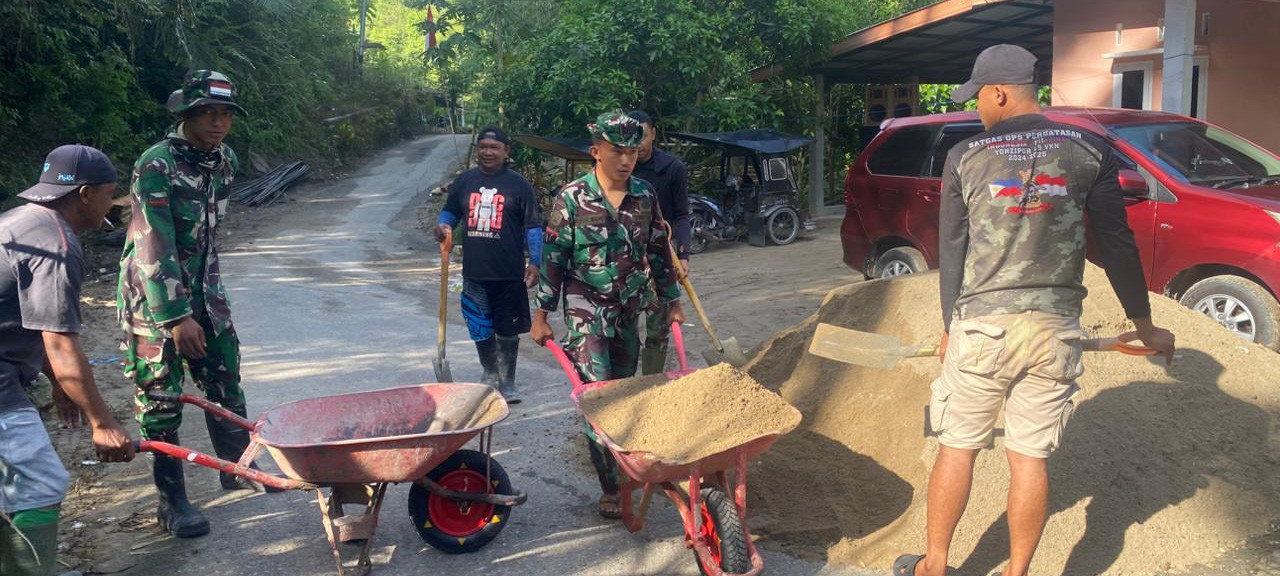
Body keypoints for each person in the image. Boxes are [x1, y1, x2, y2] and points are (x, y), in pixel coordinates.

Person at [893, 44, 1176, 576]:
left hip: (983, 327)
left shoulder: (965, 157)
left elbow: (952, 249)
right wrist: (1145, 326)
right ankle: (1017, 572)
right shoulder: (1089, 150)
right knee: (1030, 459)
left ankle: (933, 566)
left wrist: (951, 327)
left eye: (978, 96)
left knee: (957, 448)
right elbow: (1116, 244)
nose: (977, 107)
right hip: (1055, 333)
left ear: (999, 92)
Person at [117, 70, 272, 540]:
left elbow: (207, 237)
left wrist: (202, 306)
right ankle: (172, 502)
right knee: (161, 399)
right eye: (208, 112)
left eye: (225, 114)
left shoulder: (223, 161)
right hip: (155, 300)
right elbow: (152, 243)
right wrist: (176, 317)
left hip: (207, 292)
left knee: (225, 377)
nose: (218, 122)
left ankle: (236, 466)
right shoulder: (156, 165)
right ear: (187, 114)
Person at [530, 111, 685, 518]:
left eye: (632, 151)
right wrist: (542, 313)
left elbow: (657, 253)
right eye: (617, 151)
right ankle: (612, 487)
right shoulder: (571, 198)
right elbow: (554, 259)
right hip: (586, 311)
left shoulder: (645, 195)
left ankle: (626, 466)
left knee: (624, 392)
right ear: (595, 151)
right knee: (598, 396)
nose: (626, 160)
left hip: (630, 307)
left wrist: (672, 301)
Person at [1, 145, 135, 576]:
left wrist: (60, 383)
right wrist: (104, 422)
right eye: (109, 194)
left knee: (12, 488)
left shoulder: (16, 223)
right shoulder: (56, 244)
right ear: (83, 194)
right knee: (40, 485)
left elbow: (24, 321)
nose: (111, 205)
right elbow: (60, 343)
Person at [434, 126, 542, 403]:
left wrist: (536, 261)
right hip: (474, 272)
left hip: (509, 273)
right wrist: (444, 224)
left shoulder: (519, 185)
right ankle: (489, 373)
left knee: (508, 329)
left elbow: (532, 226)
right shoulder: (464, 182)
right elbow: (451, 211)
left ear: (506, 152)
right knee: (479, 326)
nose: (487, 151)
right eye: (483, 146)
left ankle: (508, 382)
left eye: (494, 147)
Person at [626, 110, 691, 375]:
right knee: (625, 329)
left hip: (660, 257)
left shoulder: (672, 168)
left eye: (643, 134)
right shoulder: (619, 168)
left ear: (653, 133)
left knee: (658, 327)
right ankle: (626, 385)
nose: (638, 141)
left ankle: (652, 382)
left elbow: (682, 215)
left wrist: (684, 255)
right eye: (632, 135)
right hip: (625, 260)